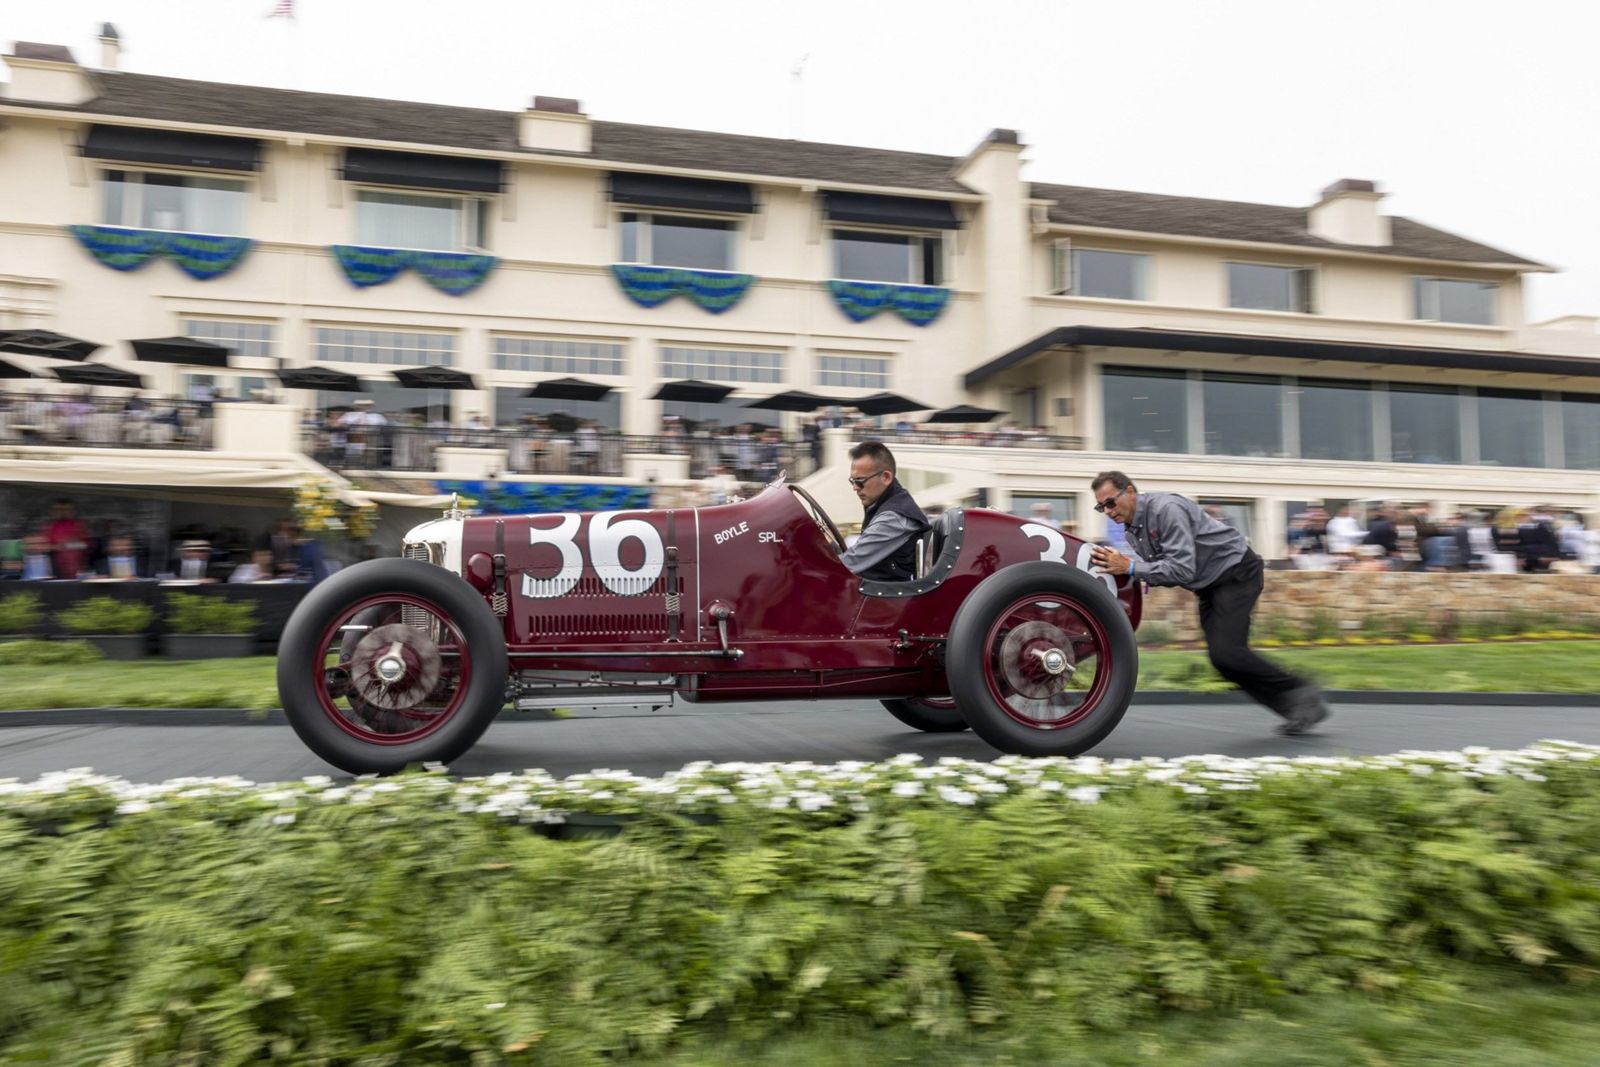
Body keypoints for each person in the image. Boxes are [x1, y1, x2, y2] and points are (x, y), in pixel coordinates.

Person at [1086, 471, 1330, 736]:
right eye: (1101, 507)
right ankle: (1297, 707)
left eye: (1110, 502)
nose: (1107, 511)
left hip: (1236, 573)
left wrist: (1132, 567)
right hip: (1208, 585)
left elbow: (1181, 570)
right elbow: (1162, 570)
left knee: (1227, 652)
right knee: (1223, 661)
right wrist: (1128, 571)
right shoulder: (1133, 531)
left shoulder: (1167, 509)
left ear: (1130, 492)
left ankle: (1302, 692)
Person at [838, 440, 929, 581]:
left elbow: (846, 565)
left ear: (886, 477)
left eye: (860, 481)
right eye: (853, 481)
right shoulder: (886, 505)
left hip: (890, 599)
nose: (855, 488)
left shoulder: (894, 518)